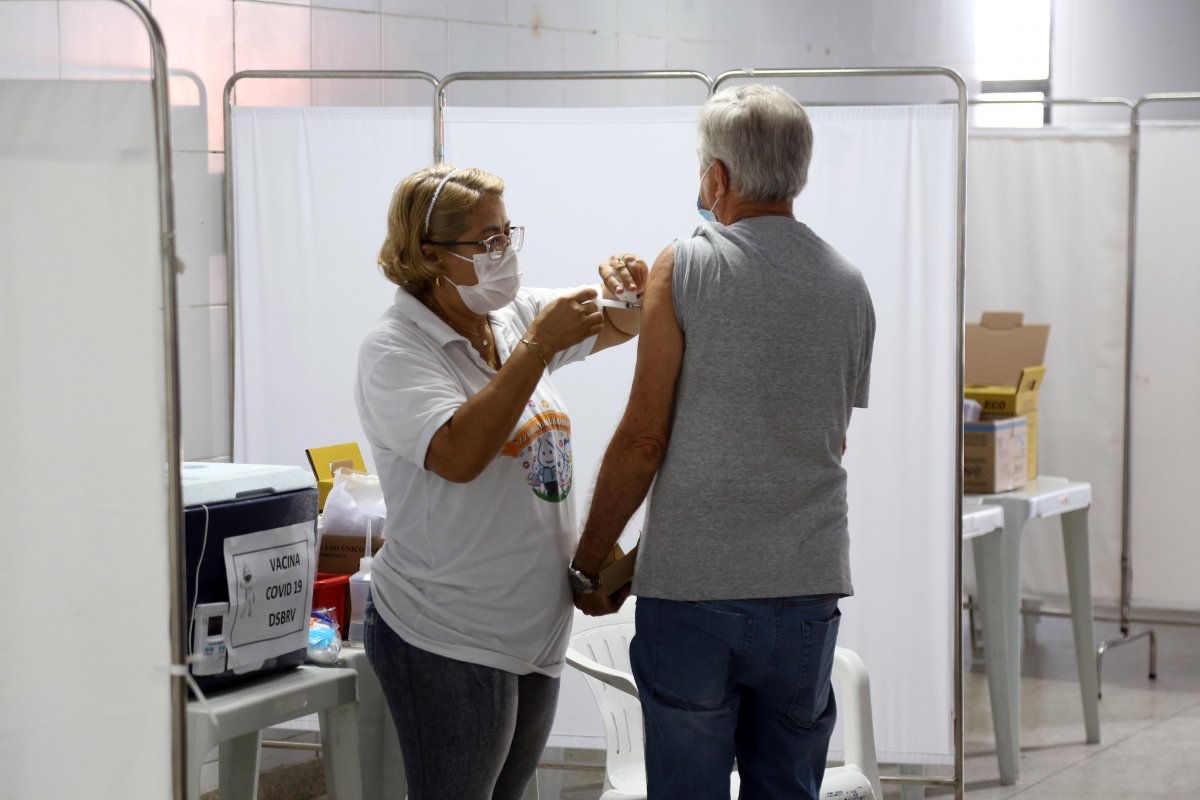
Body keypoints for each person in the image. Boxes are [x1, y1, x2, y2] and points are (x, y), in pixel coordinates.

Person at [570, 84, 876, 800]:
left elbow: (644, 438)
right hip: (806, 585)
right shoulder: (849, 285)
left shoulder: (687, 265)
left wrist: (592, 562)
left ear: (717, 176)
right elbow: (824, 440)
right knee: (788, 785)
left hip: (694, 590)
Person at [355, 164, 647, 800]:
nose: (504, 252)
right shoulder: (396, 349)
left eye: (507, 233)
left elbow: (623, 324)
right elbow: (459, 454)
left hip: (533, 628)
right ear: (431, 253)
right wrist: (536, 349)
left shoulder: (512, 316)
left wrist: (629, 289)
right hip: (449, 630)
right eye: (486, 240)